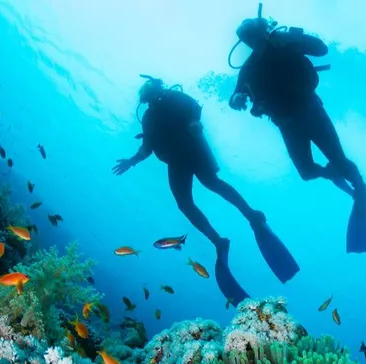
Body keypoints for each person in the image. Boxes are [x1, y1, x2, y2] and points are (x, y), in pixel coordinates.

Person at [113, 76, 299, 304]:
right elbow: (147, 148)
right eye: (148, 96)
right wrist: (131, 161)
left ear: (157, 89)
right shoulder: (149, 117)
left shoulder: (173, 96)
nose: (152, 97)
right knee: (187, 202)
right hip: (176, 160)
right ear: (145, 99)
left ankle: (249, 216)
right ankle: (219, 239)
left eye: (152, 92)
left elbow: (195, 109)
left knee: (212, 184)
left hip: (192, 148)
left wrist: (192, 121)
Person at [228, 15, 366, 253]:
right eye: (247, 39)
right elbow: (236, 95)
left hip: (312, 112)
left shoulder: (288, 43)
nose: (253, 42)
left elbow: (322, 49)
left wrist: (295, 37)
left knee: (339, 159)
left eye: (254, 35)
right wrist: (236, 99)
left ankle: (360, 190)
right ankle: (338, 179)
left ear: (264, 31)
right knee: (306, 172)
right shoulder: (249, 68)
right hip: (288, 125)